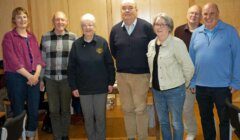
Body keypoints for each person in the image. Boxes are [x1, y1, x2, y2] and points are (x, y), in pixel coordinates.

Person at [189, 3, 240, 140]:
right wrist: (192, 81)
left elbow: (238, 57)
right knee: (205, 119)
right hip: (201, 86)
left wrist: (236, 82)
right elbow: (191, 60)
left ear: (218, 14)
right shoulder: (196, 33)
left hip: (223, 86)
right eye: (205, 14)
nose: (208, 16)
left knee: (224, 120)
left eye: (212, 13)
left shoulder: (230, 31)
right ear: (202, 16)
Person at [109, 0, 155, 139]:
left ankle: (142, 137)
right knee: (127, 109)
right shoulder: (115, 29)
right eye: (124, 8)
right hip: (122, 76)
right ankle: (130, 136)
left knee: (140, 109)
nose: (127, 11)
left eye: (130, 8)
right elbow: (114, 51)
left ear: (136, 10)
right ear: (121, 11)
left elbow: (153, 48)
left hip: (141, 75)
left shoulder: (146, 27)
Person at [67, 13, 115, 140]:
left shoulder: (102, 42)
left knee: (100, 117)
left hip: (100, 87)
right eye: (84, 25)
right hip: (83, 89)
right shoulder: (76, 45)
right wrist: (73, 87)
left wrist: (111, 82)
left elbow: (110, 64)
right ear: (81, 27)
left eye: (90, 25)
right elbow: (71, 68)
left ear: (94, 26)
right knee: (87, 118)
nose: (88, 27)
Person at [147, 13, 194, 140]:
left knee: (176, 123)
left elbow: (189, 67)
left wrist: (184, 84)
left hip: (175, 91)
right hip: (157, 91)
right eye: (157, 24)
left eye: (163, 24)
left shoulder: (177, 43)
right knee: (163, 122)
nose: (159, 27)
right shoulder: (151, 44)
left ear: (169, 27)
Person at [2, 7, 45, 140]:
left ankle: (31, 135)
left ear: (28, 19)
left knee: (33, 109)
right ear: (14, 20)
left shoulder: (32, 37)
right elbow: (13, 61)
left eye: (24, 17)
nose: (22, 20)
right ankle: (19, 135)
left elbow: (38, 58)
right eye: (19, 17)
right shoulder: (9, 37)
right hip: (16, 77)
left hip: (33, 76)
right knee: (18, 110)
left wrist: (36, 76)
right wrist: (30, 76)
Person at [40, 11, 77, 140]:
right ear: (53, 22)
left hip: (66, 80)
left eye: (62, 20)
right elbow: (42, 60)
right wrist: (41, 79)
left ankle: (65, 135)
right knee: (54, 110)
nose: (60, 22)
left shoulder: (73, 37)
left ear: (66, 22)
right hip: (50, 80)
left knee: (66, 110)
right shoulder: (45, 37)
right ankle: (57, 136)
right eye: (57, 20)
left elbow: (76, 61)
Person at [174, 5, 202, 140]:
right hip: (185, 77)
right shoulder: (178, 30)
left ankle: (212, 131)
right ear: (187, 15)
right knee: (186, 108)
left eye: (197, 14)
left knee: (207, 109)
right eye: (191, 13)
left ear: (200, 16)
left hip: (204, 77)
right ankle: (191, 131)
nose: (194, 16)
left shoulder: (205, 30)